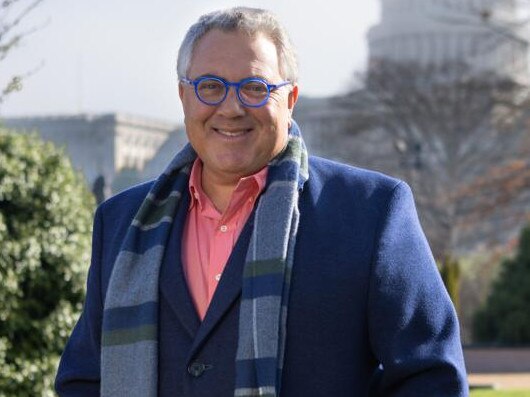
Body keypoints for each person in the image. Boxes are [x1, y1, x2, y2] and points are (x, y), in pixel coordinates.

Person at [55, 7, 468, 397]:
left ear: (290, 100)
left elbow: (431, 378)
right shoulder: (121, 222)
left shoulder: (371, 212)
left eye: (255, 88)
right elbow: (84, 379)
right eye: (210, 87)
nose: (231, 108)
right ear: (184, 96)